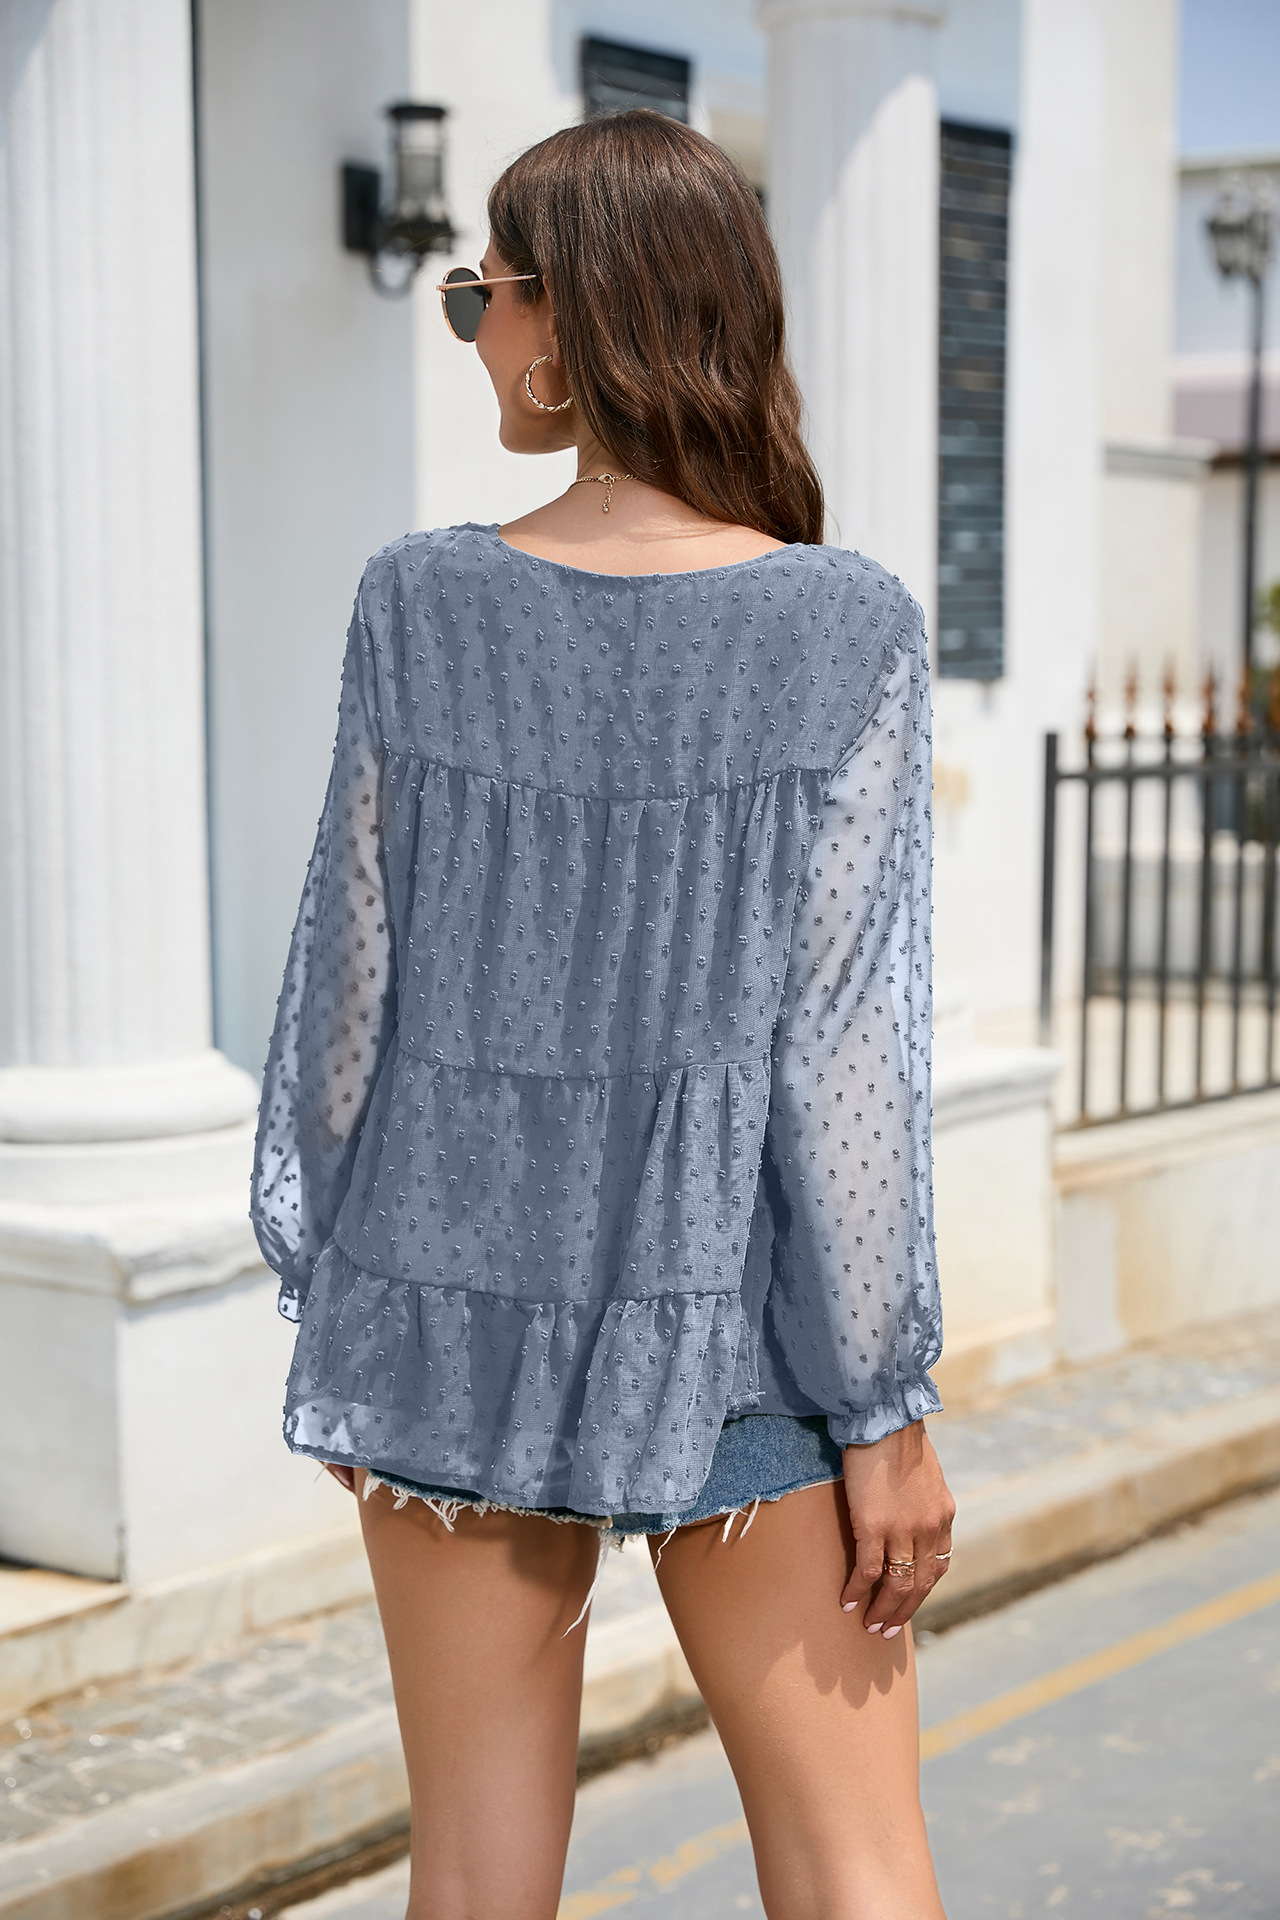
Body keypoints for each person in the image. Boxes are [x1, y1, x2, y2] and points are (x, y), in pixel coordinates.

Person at [251, 108, 955, 1920]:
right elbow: (844, 1060)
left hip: (443, 1298)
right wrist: (883, 1406)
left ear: (569, 321)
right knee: (860, 1870)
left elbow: (344, 997)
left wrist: (343, 1297)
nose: (471, 326)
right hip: (734, 1316)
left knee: (476, 1882)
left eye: (480, 293)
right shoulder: (843, 625)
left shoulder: (418, 601)